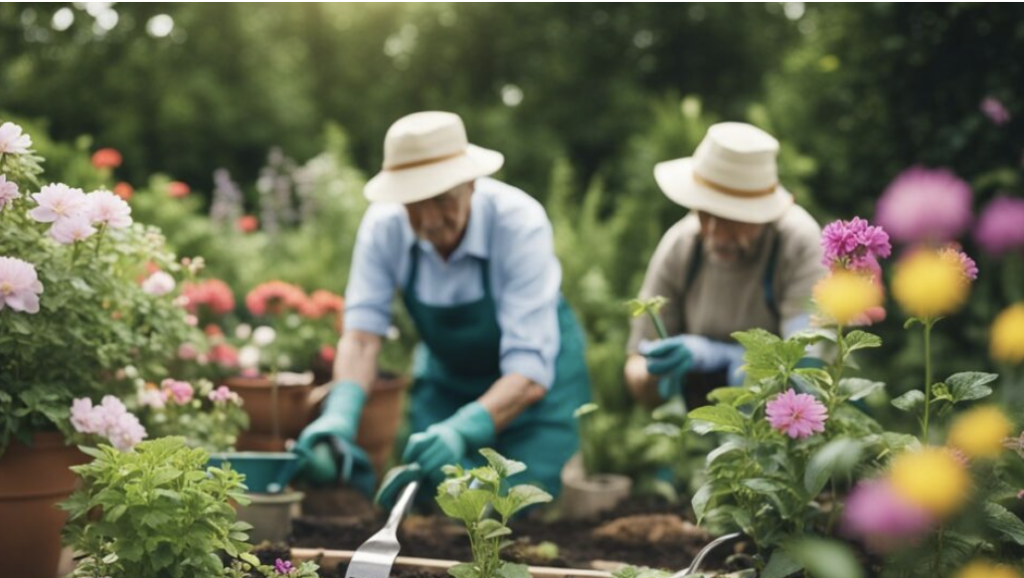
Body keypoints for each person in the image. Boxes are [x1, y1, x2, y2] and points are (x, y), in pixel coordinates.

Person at [297, 111, 590, 502]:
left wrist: (461, 431)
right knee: (430, 497)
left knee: (515, 505)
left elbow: (529, 373)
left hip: (533, 398)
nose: (430, 220)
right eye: (414, 204)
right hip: (448, 385)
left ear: (471, 183)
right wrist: (339, 417)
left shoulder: (519, 225)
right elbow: (363, 337)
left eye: (441, 199)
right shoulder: (384, 228)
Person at [625, 122, 825, 407]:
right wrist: (653, 375)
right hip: (703, 420)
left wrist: (725, 358)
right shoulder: (681, 246)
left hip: (790, 422)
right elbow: (635, 365)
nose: (717, 235)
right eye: (706, 214)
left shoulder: (797, 244)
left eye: (734, 218)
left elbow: (808, 370)